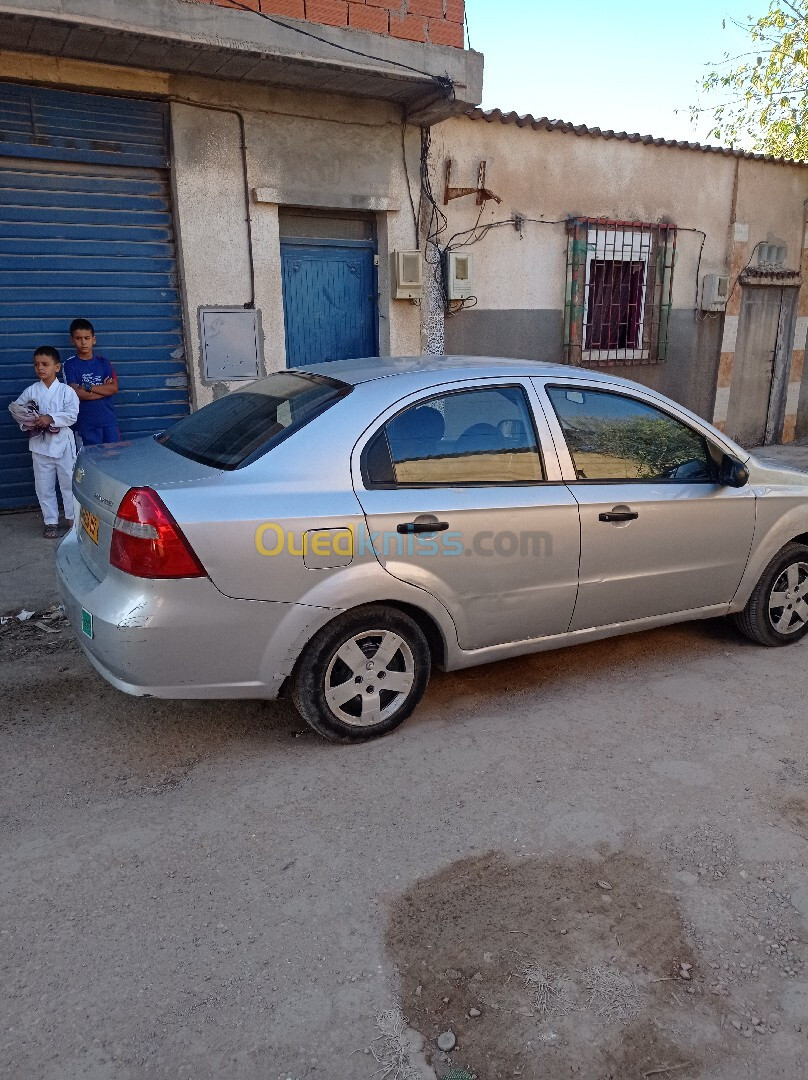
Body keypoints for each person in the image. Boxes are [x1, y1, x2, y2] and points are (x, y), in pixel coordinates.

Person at [9, 347, 80, 539]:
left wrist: (51, 418)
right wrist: (31, 419)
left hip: (63, 445)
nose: (40, 368)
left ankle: (73, 518)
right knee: (43, 485)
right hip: (40, 445)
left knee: (67, 483)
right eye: (36, 364)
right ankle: (51, 521)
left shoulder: (67, 391)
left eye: (45, 364)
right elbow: (17, 409)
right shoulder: (31, 391)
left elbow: (72, 415)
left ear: (57, 367)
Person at [63, 318, 121, 446]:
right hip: (86, 425)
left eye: (87, 338)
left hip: (109, 422)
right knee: (90, 463)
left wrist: (88, 386)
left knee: (114, 460)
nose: (83, 342)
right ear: (72, 340)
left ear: (93, 339)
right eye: (78, 338)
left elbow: (114, 388)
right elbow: (77, 393)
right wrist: (104, 390)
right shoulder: (69, 365)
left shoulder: (104, 362)